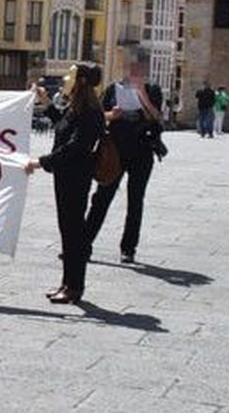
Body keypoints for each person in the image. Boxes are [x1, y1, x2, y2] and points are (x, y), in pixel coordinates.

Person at [25, 61, 105, 305]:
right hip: (65, 175)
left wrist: (41, 162)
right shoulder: (77, 107)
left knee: (74, 232)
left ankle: (75, 286)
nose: (65, 81)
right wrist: (46, 102)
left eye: (70, 76)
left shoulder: (90, 112)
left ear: (81, 82)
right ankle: (67, 283)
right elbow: (62, 126)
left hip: (76, 176)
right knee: (67, 229)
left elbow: (76, 146)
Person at [84, 56, 163, 264]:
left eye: (139, 70)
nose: (134, 74)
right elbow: (100, 115)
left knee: (135, 200)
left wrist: (142, 95)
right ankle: (84, 244)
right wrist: (112, 114)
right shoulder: (113, 89)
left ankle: (128, 248)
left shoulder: (153, 90)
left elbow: (156, 117)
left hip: (142, 151)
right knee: (101, 197)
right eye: (131, 70)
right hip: (115, 151)